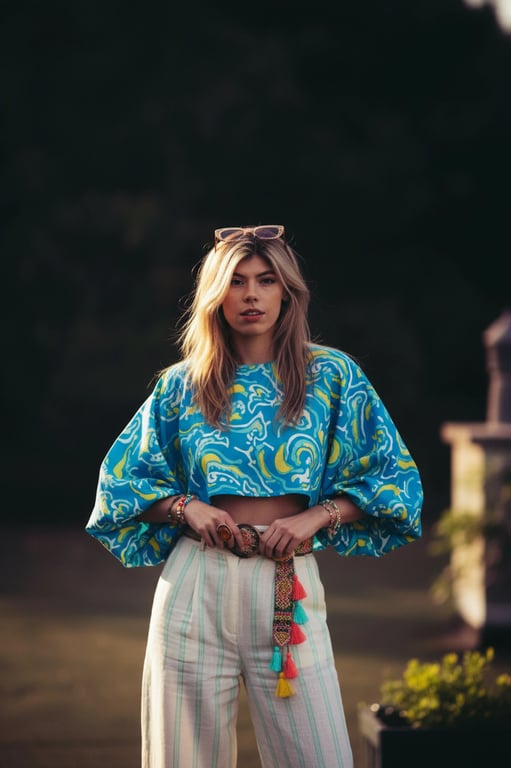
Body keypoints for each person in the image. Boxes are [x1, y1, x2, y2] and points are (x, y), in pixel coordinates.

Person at [86, 224, 423, 768]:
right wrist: (185, 507)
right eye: (237, 281)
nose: (251, 295)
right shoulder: (182, 384)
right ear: (216, 295)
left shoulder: (333, 375)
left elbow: (396, 480)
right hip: (195, 585)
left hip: (289, 587)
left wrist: (319, 514)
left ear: (287, 292)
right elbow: (120, 486)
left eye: (266, 281)